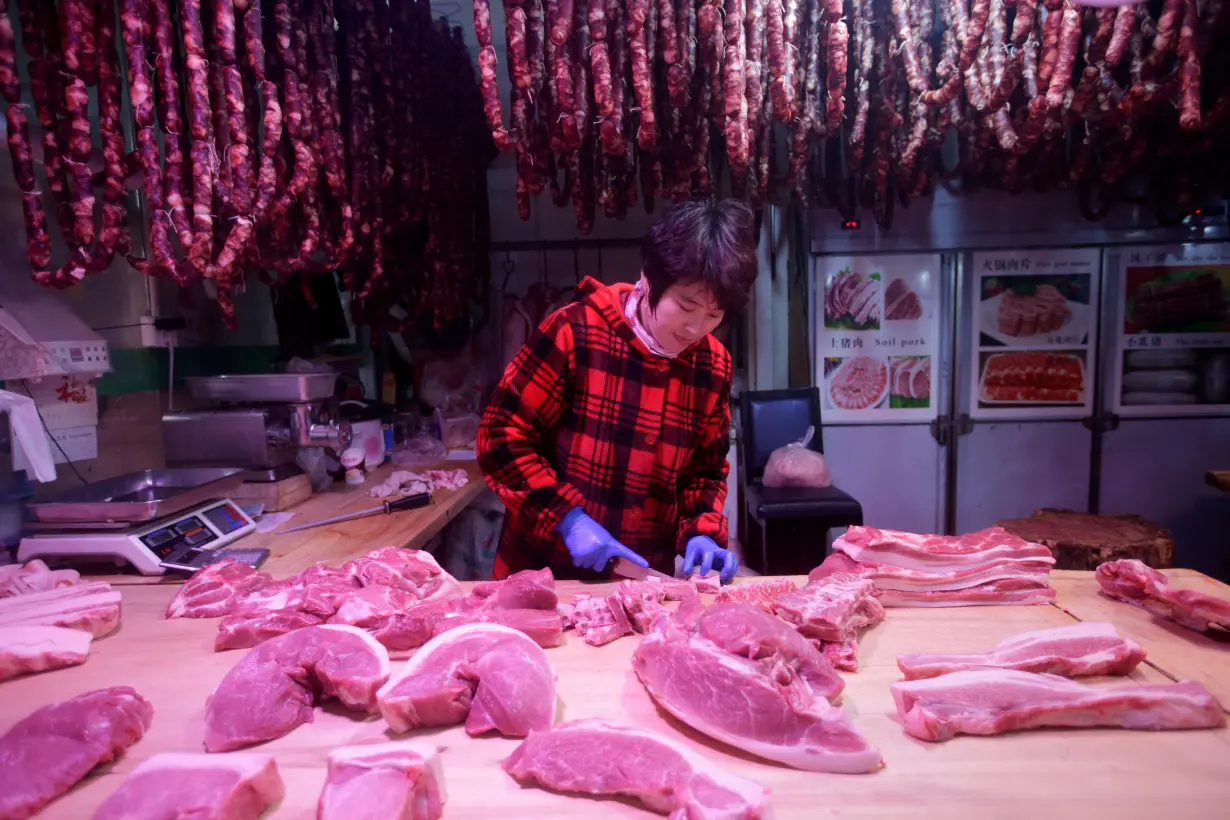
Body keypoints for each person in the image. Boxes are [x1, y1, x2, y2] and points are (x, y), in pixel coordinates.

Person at [476, 198, 759, 584]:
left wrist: (702, 532)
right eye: (686, 305)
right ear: (648, 278)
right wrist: (568, 520)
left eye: (713, 315)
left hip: (641, 577)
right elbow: (501, 437)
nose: (695, 328)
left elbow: (705, 469)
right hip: (543, 574)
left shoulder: (713, 365)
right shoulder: (575, 332)